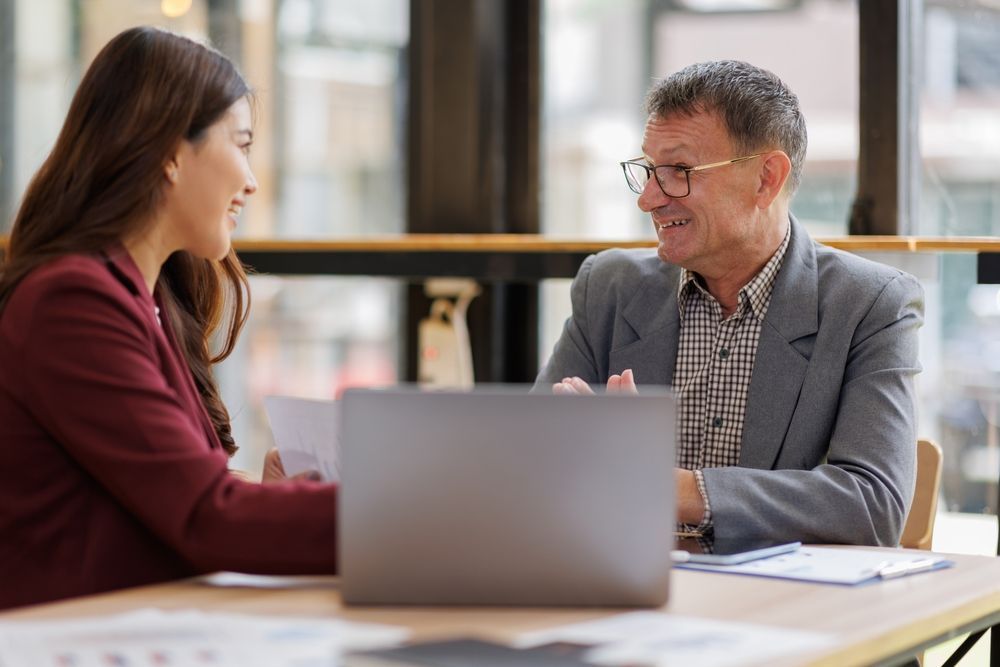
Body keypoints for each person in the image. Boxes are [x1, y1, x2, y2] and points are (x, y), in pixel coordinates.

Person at [0, 27, 337, 610]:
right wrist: (400, 512)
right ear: (171, 156)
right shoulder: (72, 303)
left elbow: (160, 504)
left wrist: (259, 497)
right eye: (242, 144)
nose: (251, 182)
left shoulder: (145, 300)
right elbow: (204, 519)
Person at [535, 60, 923, 548]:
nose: (649, 199)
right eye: (650, 171)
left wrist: (669, 486)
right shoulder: (608, 287)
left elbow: (871, 505)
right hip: (616, 589)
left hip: (781, 610)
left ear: (766, 178)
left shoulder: (869, 304)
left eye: (679, 171)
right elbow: (532, 468)